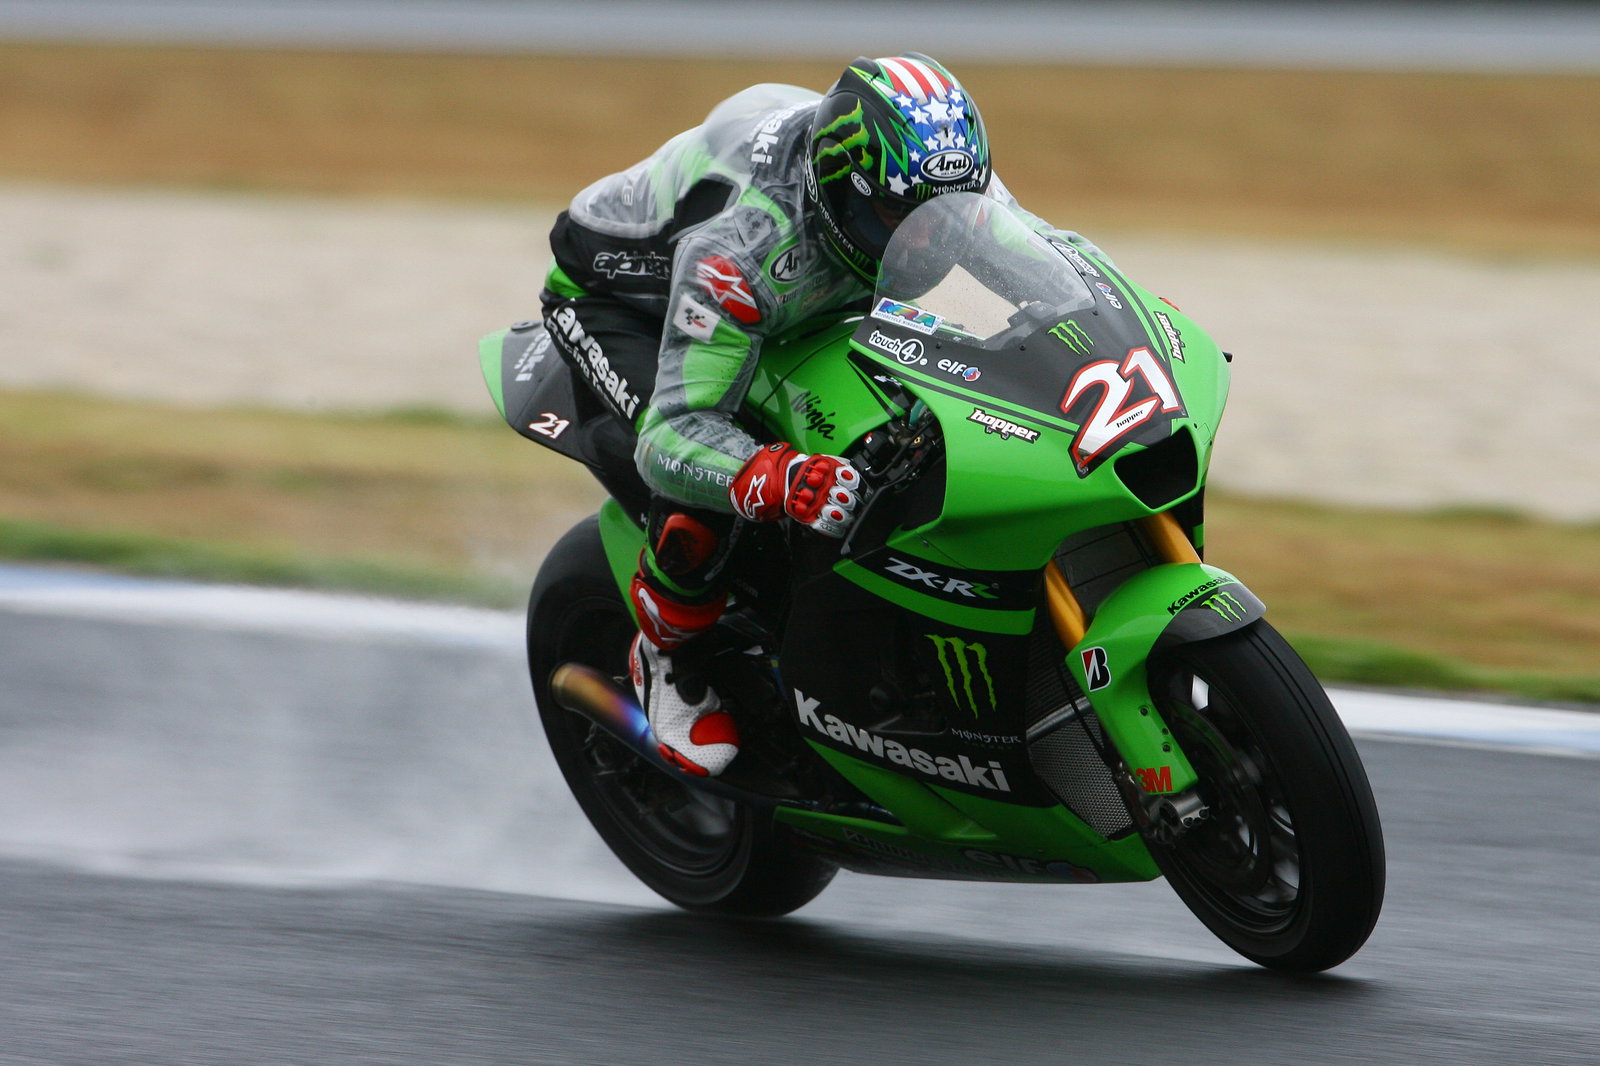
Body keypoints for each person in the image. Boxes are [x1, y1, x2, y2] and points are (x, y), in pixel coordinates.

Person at [539, 54, 1106, 777]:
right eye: (901, 219)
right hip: (623, 306)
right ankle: (664, 658)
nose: (929, 239)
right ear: (840, 190)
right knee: (707, 484)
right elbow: (675, 435)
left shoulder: (934, 179)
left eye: (948, 211)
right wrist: (778, 476)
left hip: (795, 293)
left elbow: (1038, 262)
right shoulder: (742, 249)